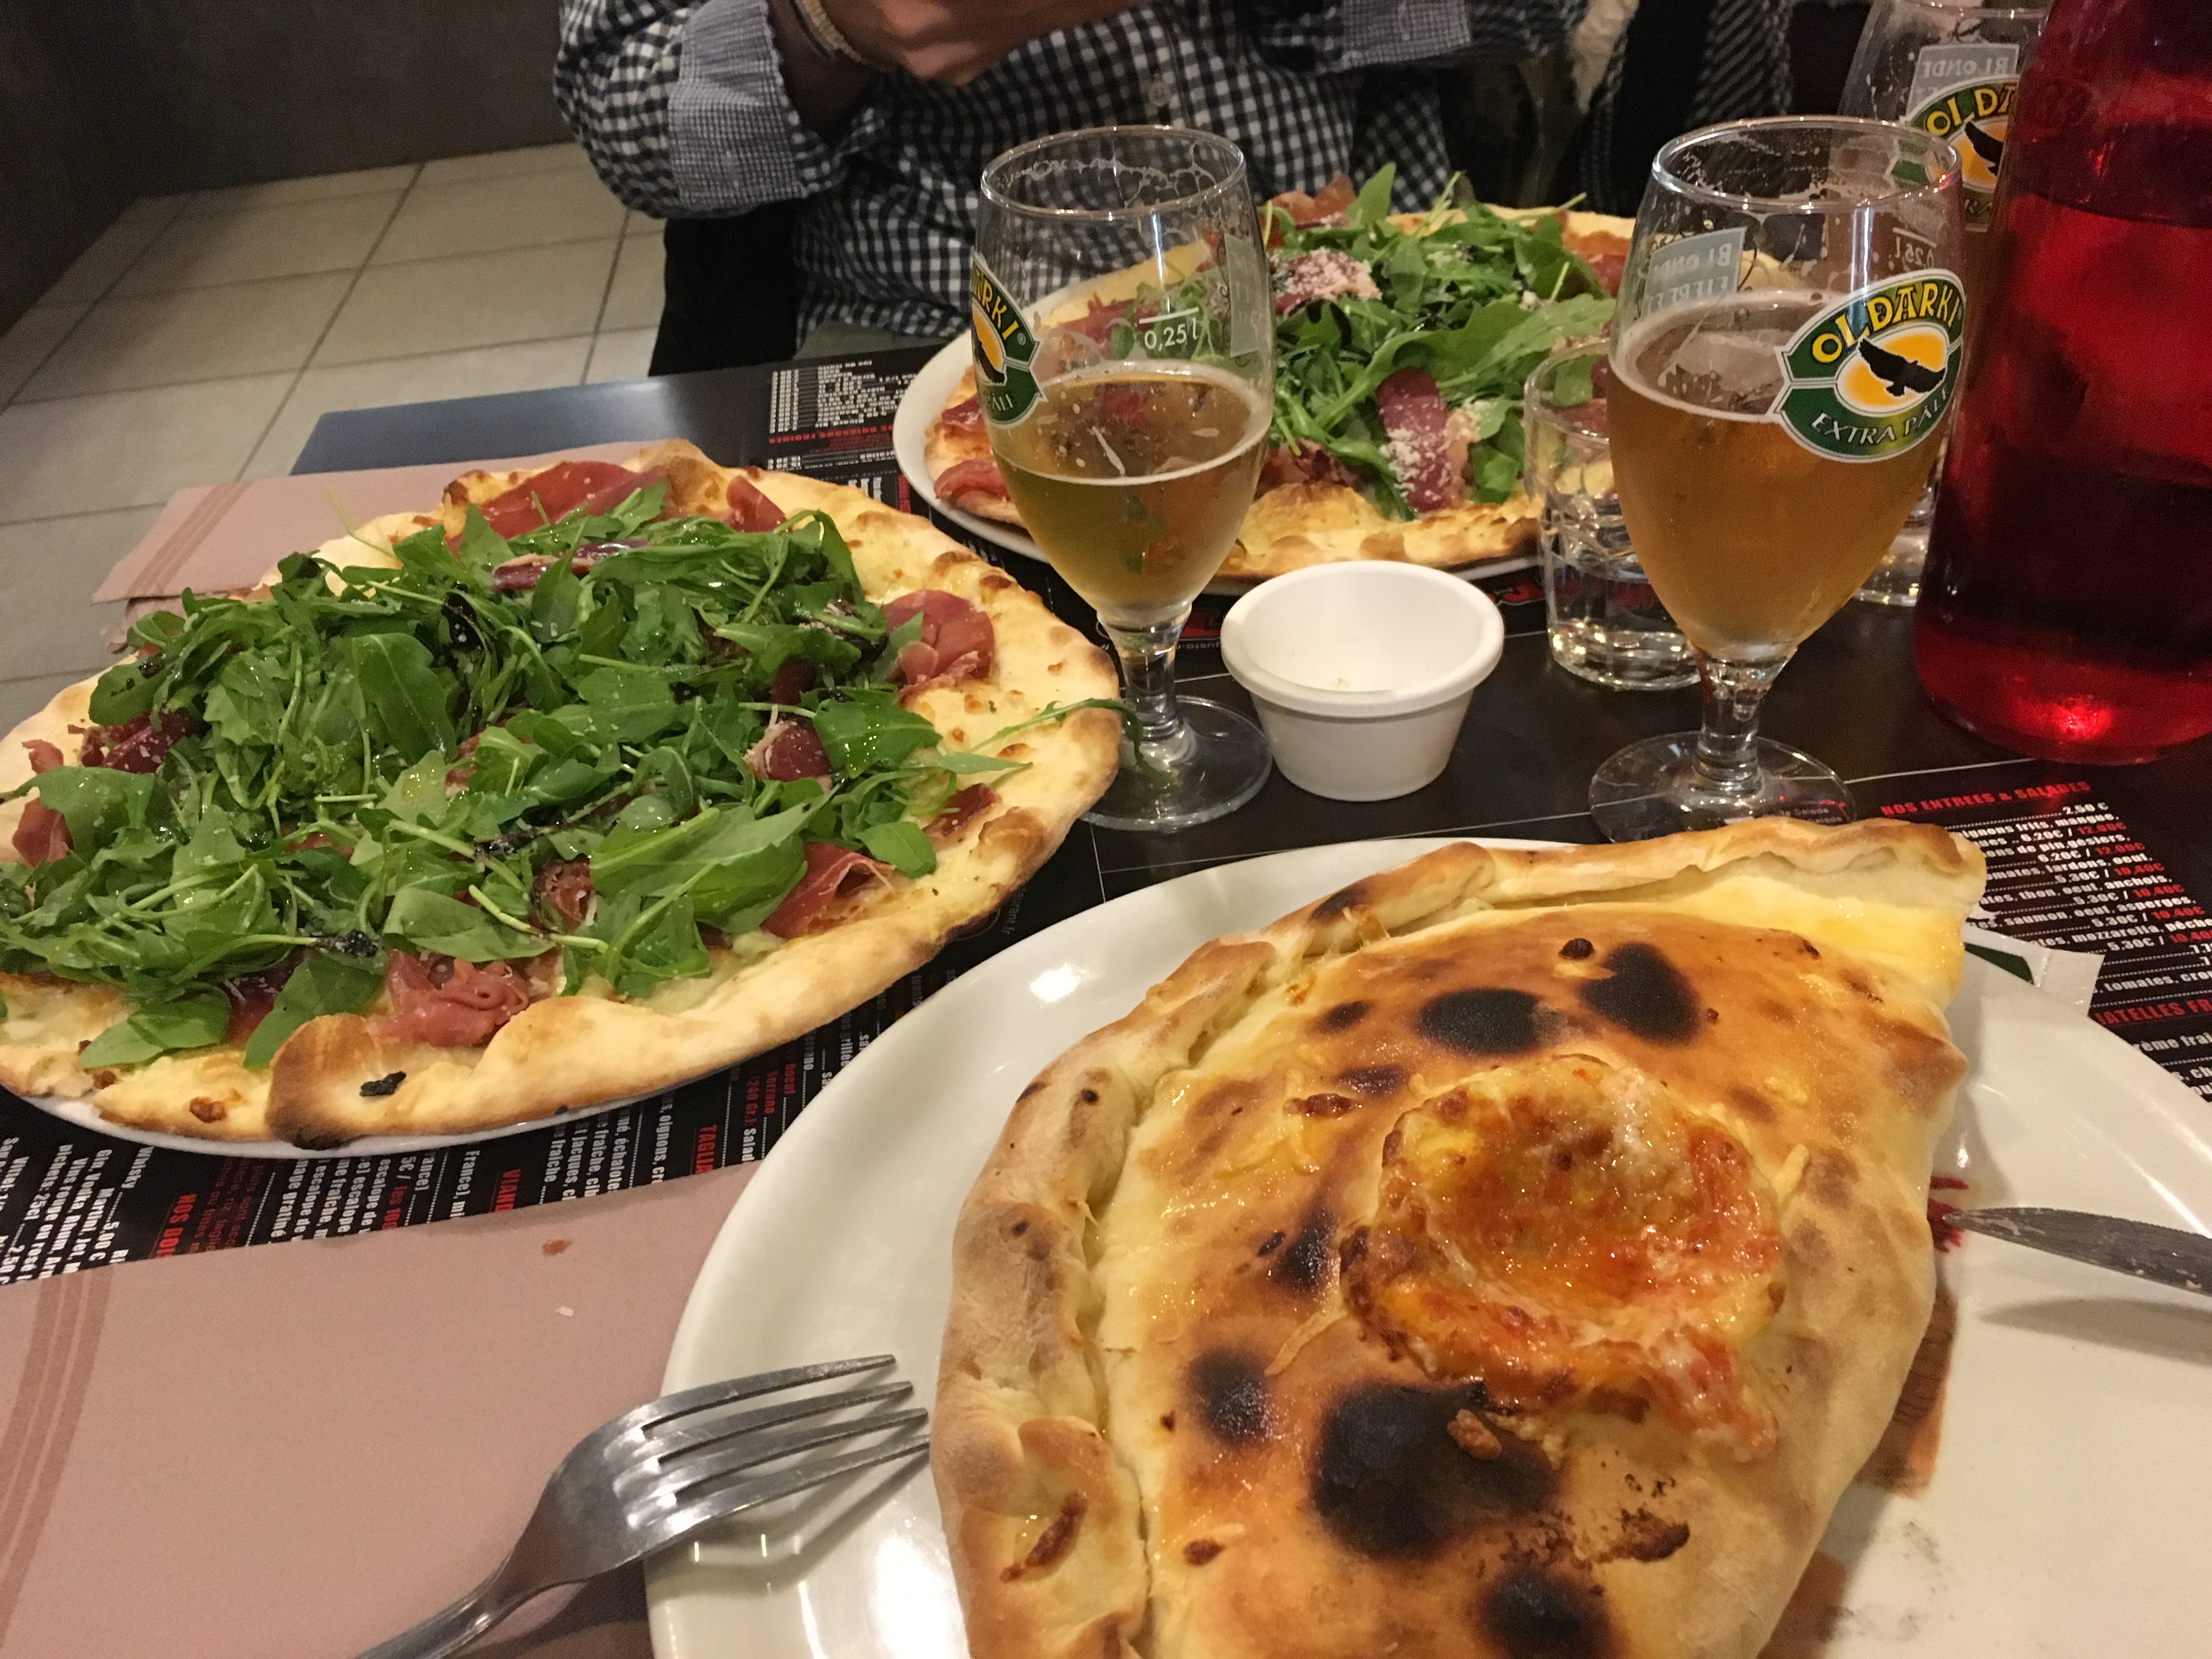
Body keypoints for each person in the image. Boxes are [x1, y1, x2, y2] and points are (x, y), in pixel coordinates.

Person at [553, 0, 1810, 368]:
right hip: (940, 342)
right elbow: (628, 125)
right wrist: (828, 29)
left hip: (1369, 311)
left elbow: (1536, 11)